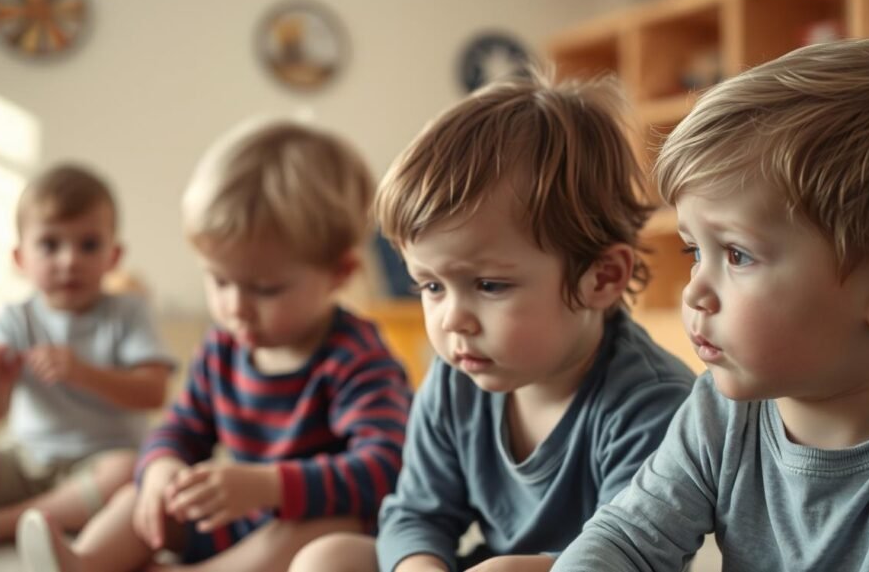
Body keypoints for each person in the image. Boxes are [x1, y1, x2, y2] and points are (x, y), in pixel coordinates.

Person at [552, 38, 869, 571]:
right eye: (695, 251)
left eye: (737, 254)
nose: (693, 291)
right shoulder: (722, 412)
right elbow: (627, 540)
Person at [289, 71, 696, 572]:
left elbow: (633, 558)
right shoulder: (455, 379)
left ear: (602, 277)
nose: (453, 319)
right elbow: (417, 513)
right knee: (326, 558)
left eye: (489, 285)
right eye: (431, 286)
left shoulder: (653, 403)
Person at [16, 120, 413, 572]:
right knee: (139, 494)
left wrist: (270, 486)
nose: (235, 308)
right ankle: (84, 563)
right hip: (240, 518)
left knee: (323, 528)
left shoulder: (354, 355)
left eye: (265, 290)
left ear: (339, 274)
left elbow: (385, 467)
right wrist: (162, 468)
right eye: (219, 280)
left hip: (320, 530)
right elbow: (181, 426)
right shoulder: (224, 345)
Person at [0, 165, 175, 562]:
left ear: (114, 255)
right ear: (20, 258)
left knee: (131, 471)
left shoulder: (129, 312)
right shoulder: (14, 319)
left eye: (89, 244)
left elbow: (153, 392)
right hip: (24, 460)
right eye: (50, 245)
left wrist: (83, 374)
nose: (70, 260)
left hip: (99, 464)